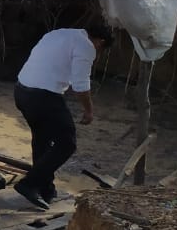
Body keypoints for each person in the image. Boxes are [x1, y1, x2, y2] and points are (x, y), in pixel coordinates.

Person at [12, 24, 113, 209]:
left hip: (21, 91)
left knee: (42, 139)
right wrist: (89, 111)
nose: (98, 53)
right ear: (100, 42)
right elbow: (80, 85)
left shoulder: (58, 34)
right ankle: (29, 184)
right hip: (43, 96)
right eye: (101, 49)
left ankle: (45, 189)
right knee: (67, 143)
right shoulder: (86, 46)